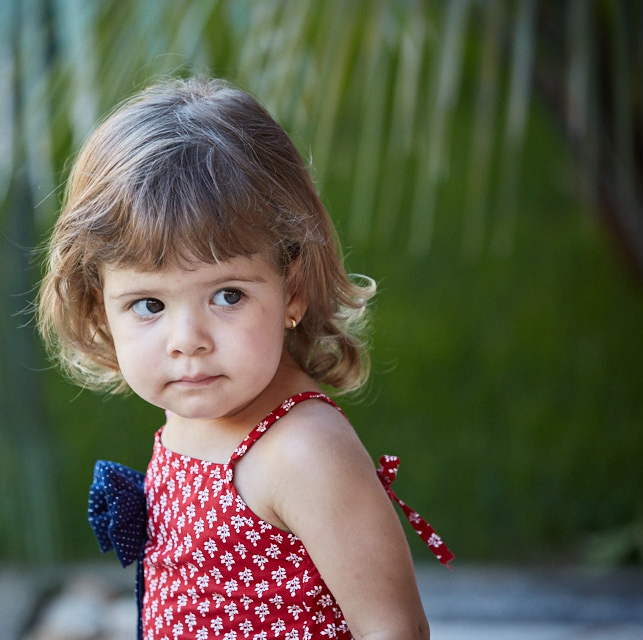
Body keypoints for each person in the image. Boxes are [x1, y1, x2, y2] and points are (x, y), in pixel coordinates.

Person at [38, 77, 451, 640]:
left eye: (227, 295)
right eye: (149, 304)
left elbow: (395, 630)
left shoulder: (302, 452)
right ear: (99, 307)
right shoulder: (197, 415)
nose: (188, 339)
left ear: (293, 289)